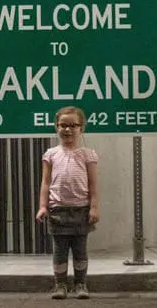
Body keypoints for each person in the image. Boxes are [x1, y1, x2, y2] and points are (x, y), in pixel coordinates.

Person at [35, 106, 100, 300]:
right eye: (63, 125)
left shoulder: (88, 155)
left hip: (81, 209)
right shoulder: (51, 154)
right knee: (60, 250)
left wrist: (94, 207)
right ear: (56, 127)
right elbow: (45, 182)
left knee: (80, 249)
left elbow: (93, 184)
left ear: (82, 128)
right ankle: (60, 284)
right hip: (57, 211)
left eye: (73, 125)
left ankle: (80, 284)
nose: (68, 130)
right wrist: (43, 206)